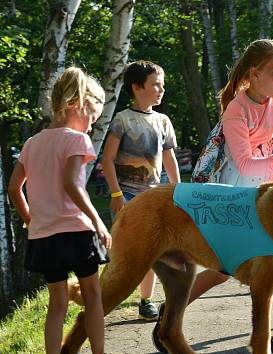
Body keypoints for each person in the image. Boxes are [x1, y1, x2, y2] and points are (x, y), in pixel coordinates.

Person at [154, 39, 273, 354]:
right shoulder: (236, 109)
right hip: (238, 201)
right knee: (221, 271)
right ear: (254, 74)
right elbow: (243, 163)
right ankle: (169, 313)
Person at [8, 67, 112, 354]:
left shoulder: (31, 143)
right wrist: (98, 221)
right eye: (92, 117)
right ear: (74, 105)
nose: (91, 127)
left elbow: (14, 188)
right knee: (93, 296)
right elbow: (71, 184)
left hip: (44, 236)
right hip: (77, 232)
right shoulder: (76, 139)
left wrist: (31, 220)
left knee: (57, 305)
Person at [102, 60, 181, 321]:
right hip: (127, 196)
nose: (161, 90)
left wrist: (177, 190)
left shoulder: (163, 121)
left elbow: (169, 159)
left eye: (162, 85)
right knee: (126, 252)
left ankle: (146, 300)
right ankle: (102, 297)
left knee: (155, 250)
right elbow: (107, 161)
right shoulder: (122, 120)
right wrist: (116, 195)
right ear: (137, 88)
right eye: (155, 84)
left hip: (155, 196)